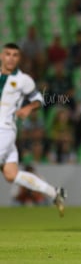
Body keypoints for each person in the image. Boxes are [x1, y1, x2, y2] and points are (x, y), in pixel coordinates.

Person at [0, 43, 66, 216]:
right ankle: (55, 193)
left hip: (4, 130)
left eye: (15, 55)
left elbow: (38, 99)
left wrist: (28, 108)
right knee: (11, 175)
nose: (11, 58)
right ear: (1, 56)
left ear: (19, 58)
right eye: (8, 54)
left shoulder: (23, 80)